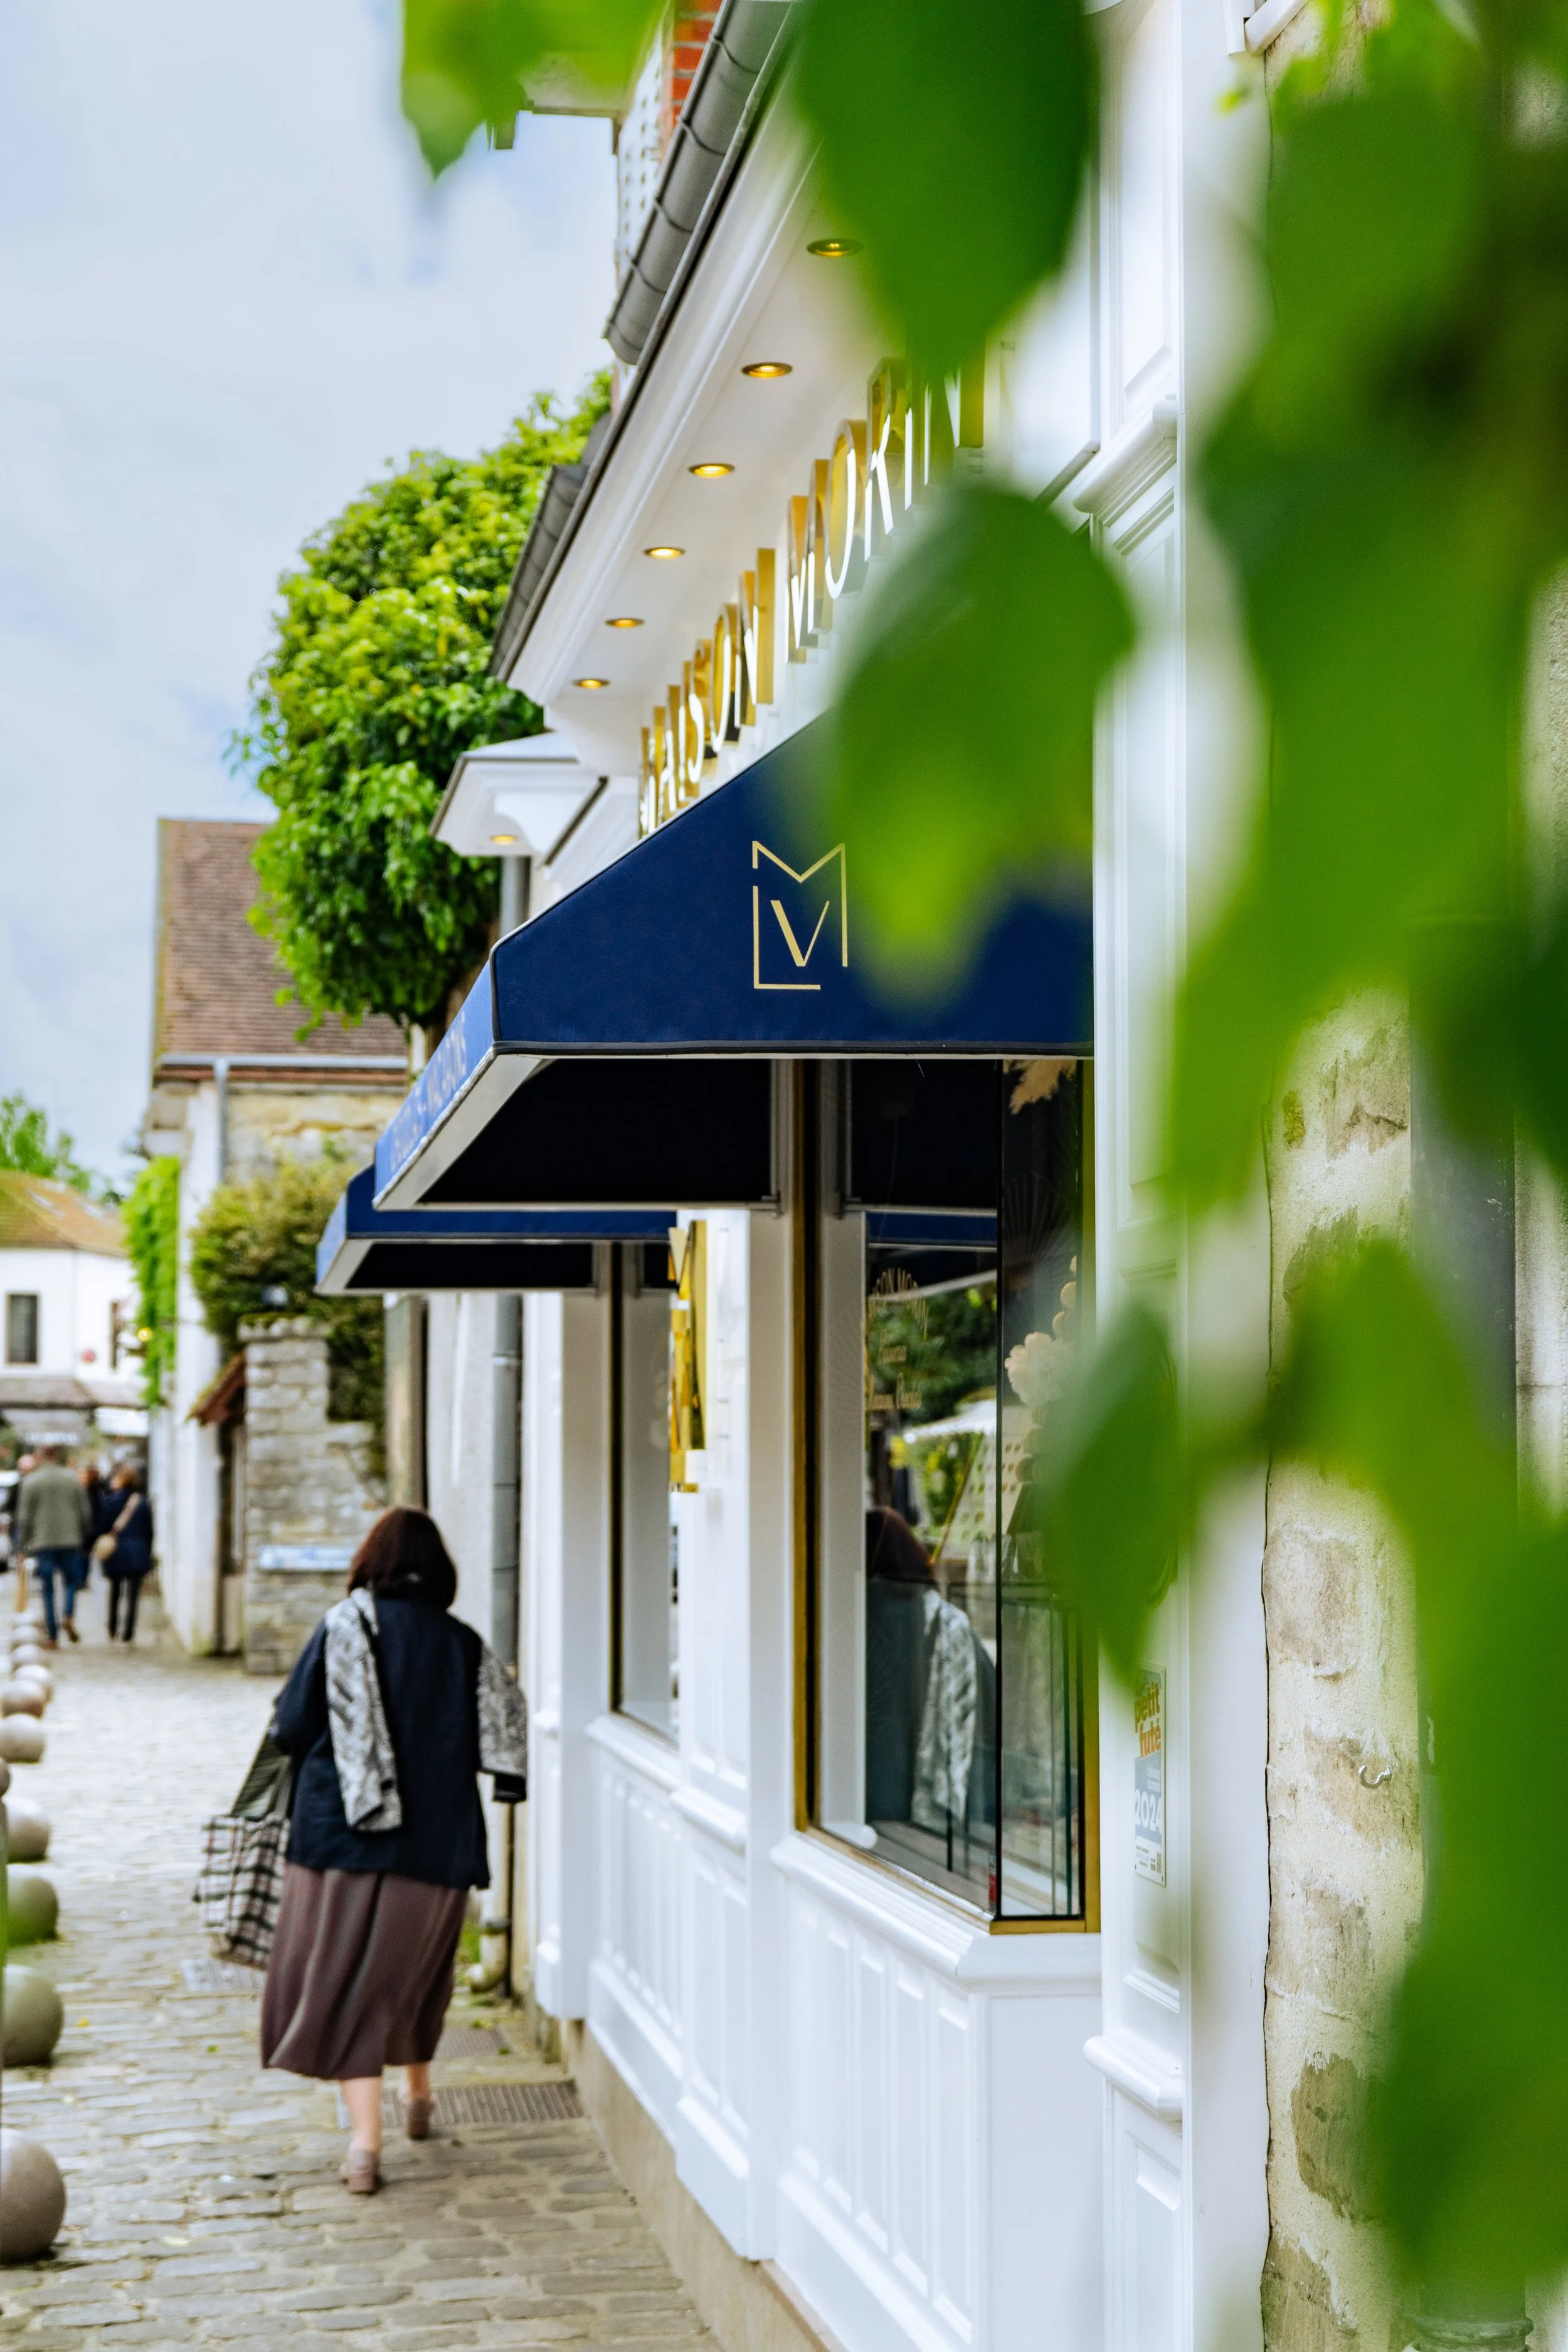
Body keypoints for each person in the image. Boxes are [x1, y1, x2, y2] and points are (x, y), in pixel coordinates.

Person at [261, 1506, 529, 2195]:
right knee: (414, 1982)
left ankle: (364, 2146)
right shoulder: (465, 1645)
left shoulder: (342, 1627)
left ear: (369, 1562)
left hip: (343, 1843)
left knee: (349, 1988)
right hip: (439, 1851)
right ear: (438, 1570)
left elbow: (290, 1727)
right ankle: (417, 2098)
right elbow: (499, 1739)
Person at [16, 1446, 91, 1647]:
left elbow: (24, 1517)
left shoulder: (31, 1481)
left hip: (42, 1542)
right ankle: (68, 1615)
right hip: (70, 1540)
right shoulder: (72, 1479)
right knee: (70, 1582)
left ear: (40, 1458)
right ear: (57, 1456)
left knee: (47, 1588)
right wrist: (84, 1535)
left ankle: (52, 1635)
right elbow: (84, 1511)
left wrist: (23, 1545)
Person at [98, 1463, 154, 1641]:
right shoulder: (143, 1502)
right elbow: (149, 1531)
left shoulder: (110, 1501)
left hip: (116, 1551)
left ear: (122, 1481)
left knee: (115, 1591)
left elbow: (103, 1527)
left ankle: (113, 1627)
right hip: (138, 1551)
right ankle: (129, 1632)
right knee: (133, 1595)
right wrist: (148, 1552)